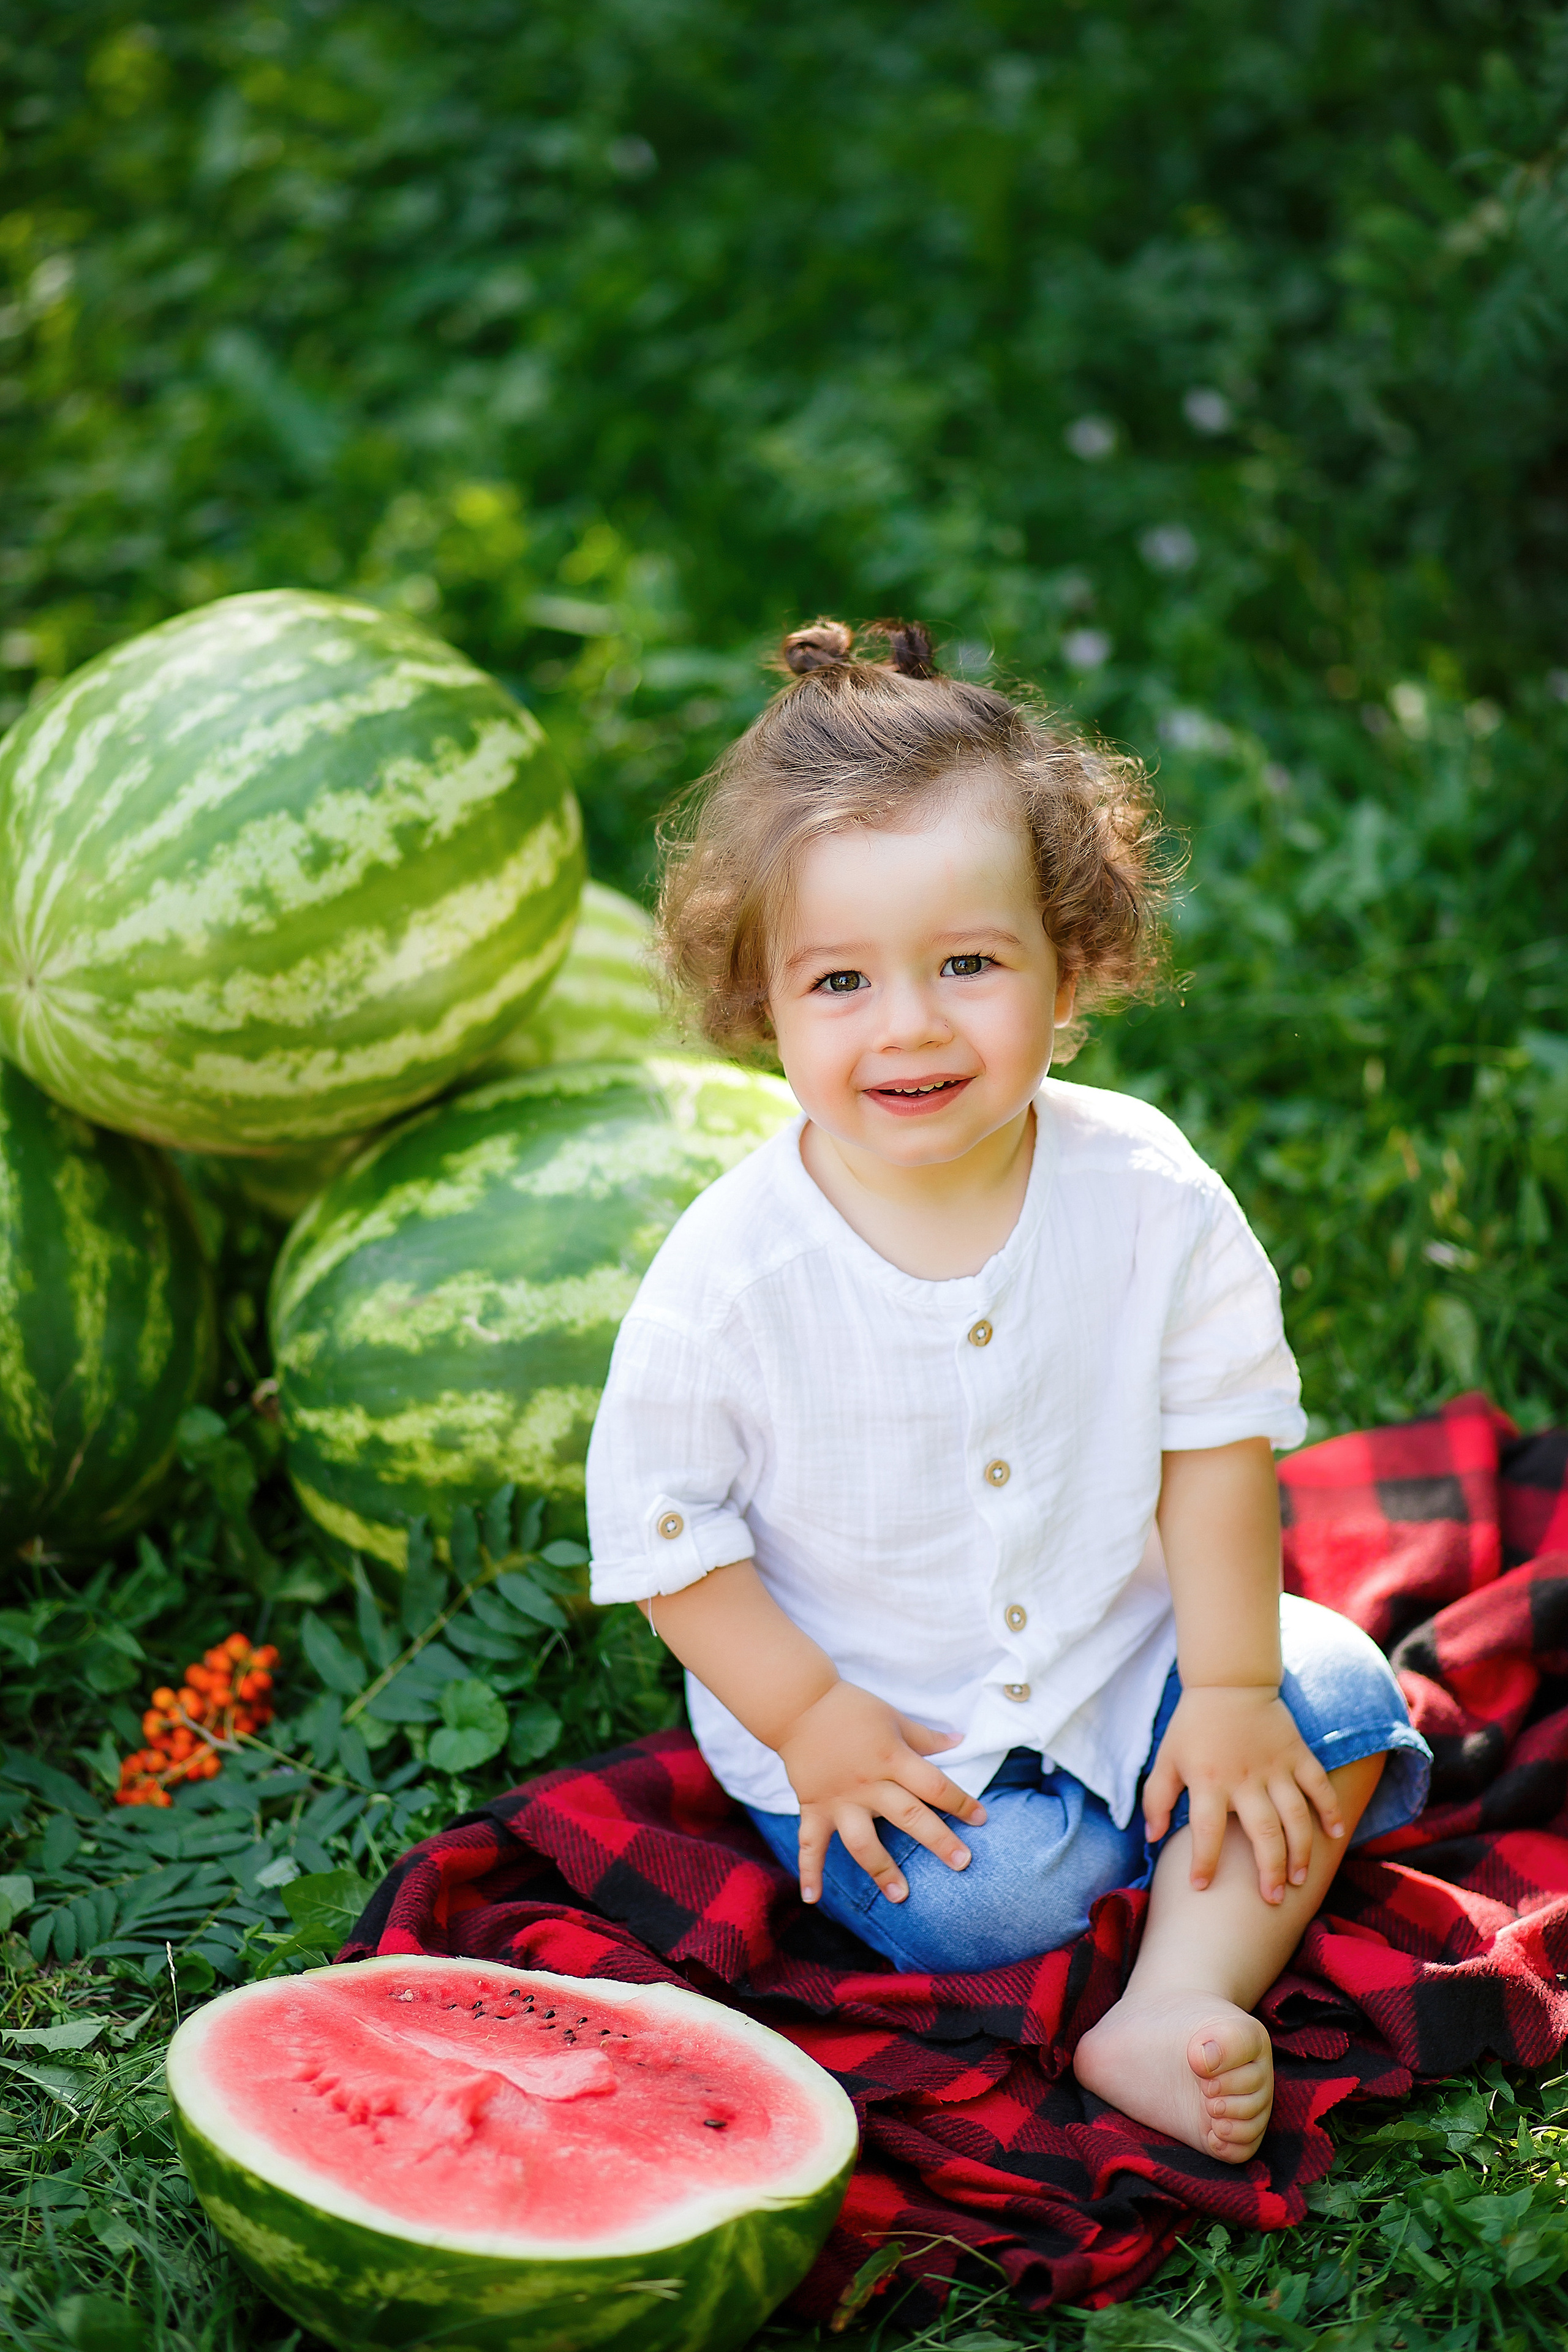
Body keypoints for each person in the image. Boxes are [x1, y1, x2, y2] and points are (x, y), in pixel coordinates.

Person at [585, 618, 1430, 2163]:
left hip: (1130, 1664)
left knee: (1336, 1692)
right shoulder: (731, 1280)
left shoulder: (1148, 1195)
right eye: (838, 980)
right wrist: (816, 1720)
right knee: (989, 1904)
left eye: (966, 964)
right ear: (760, 1004)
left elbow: (1212, 1453)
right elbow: (668, 1543)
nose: (907, 1024)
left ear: (1069, 964)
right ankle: (1162, 1902)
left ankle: (1169, 2000)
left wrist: (1230, 1690)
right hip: (888, 1736)